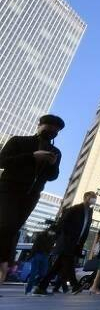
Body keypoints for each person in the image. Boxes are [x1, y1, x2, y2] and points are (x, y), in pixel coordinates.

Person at [0, 114, 64, 283]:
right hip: (8, 189)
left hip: (32, 195)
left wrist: (51, 164)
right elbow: (2, 161)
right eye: (49, 127)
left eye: (56, 130)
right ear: (40, 125)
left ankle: (3, 272)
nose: (52, 131)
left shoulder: (55, 152)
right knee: (6, 226)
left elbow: (53, 176)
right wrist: (32, 156)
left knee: (13, 230)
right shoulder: (19, 141)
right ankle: (5, 266)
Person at [32, 192, 96, 295]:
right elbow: (63, 222)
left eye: (95, 197)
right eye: (92, 197)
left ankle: (41, 287)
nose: (94, 199)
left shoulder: (90, 212)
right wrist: (64, 235)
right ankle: (75, 285)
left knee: (57, 267)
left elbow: (85, 229)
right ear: (85, 197)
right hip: (67, 241)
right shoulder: (75, 209)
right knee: (68, 262)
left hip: (76, 243)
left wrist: (80, 243)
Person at [24, 228, 56, 295]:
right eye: (52, 232)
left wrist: (49, 253)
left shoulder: (52, 238)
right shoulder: (41, 236)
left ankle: (33, 286)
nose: (53, 233)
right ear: (49, 231)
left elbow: (51, 247)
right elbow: (35, 246)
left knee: (43, 274)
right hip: (38, 255)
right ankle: (28, 290)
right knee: (33, 274)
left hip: (45, 256)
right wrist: (31, 256)